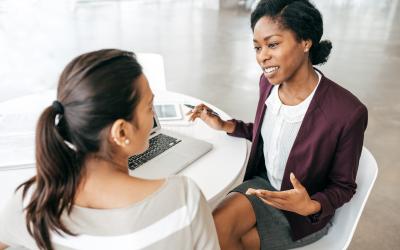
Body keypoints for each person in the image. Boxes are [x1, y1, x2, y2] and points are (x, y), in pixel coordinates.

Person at [187, 0, 368, 249]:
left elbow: (343, 186)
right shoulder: (268, 84)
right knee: (211, 230)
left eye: (272, 44)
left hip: (302, 214)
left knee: (224, 240)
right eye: (257, 47)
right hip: (263, 186)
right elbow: (272, 134)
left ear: (305, 41)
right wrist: (226, 125)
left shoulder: (347, 112)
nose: (263, 57)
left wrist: (310, 205)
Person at [0, 49, 220, 250]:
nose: (153, 116)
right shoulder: (183, 201)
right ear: (121, 132)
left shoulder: (30, 203)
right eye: (149, 107)